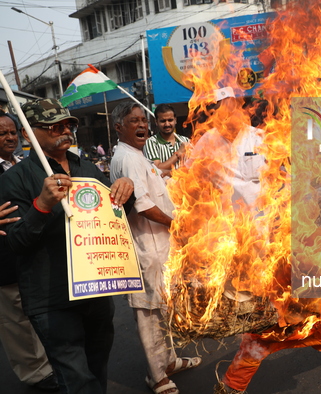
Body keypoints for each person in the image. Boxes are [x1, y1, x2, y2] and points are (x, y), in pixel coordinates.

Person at [0, 98, 134, 393]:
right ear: (28, 134)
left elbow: (116, 210)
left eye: (67, 124)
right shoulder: (14, 180)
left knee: (97, 368)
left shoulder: (85, 167)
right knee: (75, 379)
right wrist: (42, 205)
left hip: (96, 290)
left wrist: (126, 188)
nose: (64, 130)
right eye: (52, 126)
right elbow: (17, 242)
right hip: (52, 298)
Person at [110, 102, 201, 394]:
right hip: (146, 250)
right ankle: (157, 376)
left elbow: (155, 184)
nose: (142, 125)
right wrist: (176, 224)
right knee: (149, 314)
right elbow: (143, 205)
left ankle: (169, 361)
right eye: (133, 120)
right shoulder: (127, 158)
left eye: (143, 120)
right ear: (118, 127)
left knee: (163, 310)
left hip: (160, 248)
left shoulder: (138, 155)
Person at [0, 111, 59, 391]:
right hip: (4, 262)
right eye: (2, 133)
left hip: (33, 255)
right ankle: (37, 374)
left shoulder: (25, 164)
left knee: (38, 313)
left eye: (12, 132)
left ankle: (51, 363)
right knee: (16, 322)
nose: (9, 137)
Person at [143, 103, 190, 175]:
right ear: (156, 122)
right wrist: (179, 153)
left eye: (170, 120)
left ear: (175, 120)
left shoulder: (186, 141)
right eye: (163, 121)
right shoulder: (151, 142)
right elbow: (156, 169)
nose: (167, 124)